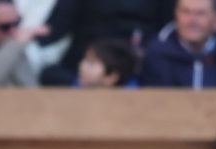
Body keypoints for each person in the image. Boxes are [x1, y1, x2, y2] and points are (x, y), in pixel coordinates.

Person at [34, 0, 171, 86]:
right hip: (85, 64)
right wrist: (34, 34)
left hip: (137, 68)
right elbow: (56, 25)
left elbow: (168, 29)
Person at [138, 0, 216, 86]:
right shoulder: (157, 54)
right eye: (186, 12)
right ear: (176, 16)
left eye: (200, 13)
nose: (192, 20)